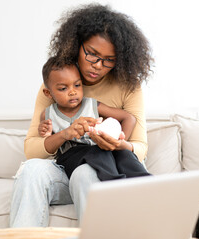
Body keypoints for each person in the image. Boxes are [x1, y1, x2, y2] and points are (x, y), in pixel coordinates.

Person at [10, 3, 153, 227]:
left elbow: (140, 147)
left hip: (103, 171)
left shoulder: (128, 86)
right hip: (62, 169)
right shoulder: (55, 84)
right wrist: (66, 133)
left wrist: (117, 144)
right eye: (92, 54)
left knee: (85, 172)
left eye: (109, 60)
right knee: (31, 170)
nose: (98, 65)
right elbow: (32, 149)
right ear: (77, 45)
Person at [39, 57, 150, 181]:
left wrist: (117, 141)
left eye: (77, 85)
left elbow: (129, 118)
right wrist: (46, 133)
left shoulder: (92, 104)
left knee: (124, 154)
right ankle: (114, 183)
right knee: (97, 153)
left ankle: (148, 183)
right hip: (70, 157)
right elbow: (48, 145)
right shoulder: (48, 114)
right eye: (63, 88)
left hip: (99, 151)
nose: (72, 92)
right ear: (48, 93)